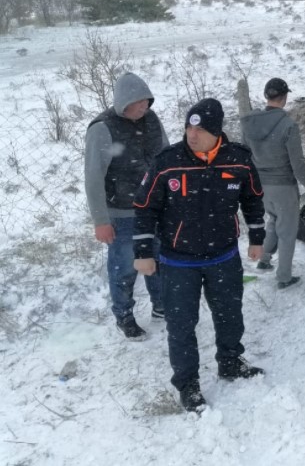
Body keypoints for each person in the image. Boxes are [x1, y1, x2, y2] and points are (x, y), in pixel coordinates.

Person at [133, 98, 266, 413]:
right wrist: (142, 251)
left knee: (230, 316)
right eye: (188, 127)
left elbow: (253, 199)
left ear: (216, 131)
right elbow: (144, 207)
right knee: (181, 325)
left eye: (200, 129)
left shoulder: (239, 160)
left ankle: (230, 361)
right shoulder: (168, 162)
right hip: (179, 261)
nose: (191, 135)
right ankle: (188, 384)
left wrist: (257, 237)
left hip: (223, 256)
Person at [84, 72, 168, 341]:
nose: (145, 107)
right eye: (139, 102)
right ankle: (124, 316)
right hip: (121, 214)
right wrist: (101, 220)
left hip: (153, 208)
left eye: (147, 101)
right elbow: (93, 177)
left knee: (157, 259)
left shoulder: (151, 120)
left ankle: (162, 306)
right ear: (123, 102)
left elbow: (166, 158)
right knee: (124, 269)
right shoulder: (103, 128)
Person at [240, 77, 305, 289]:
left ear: (267, 96)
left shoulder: (249, 123)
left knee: (273, 221)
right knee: (287, 232)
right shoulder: (288, 125)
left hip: (261, 186)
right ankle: (284, 277)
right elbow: (297, 164)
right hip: (283, 186)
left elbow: (244, 156)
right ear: (284, 98)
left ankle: (264, 259)